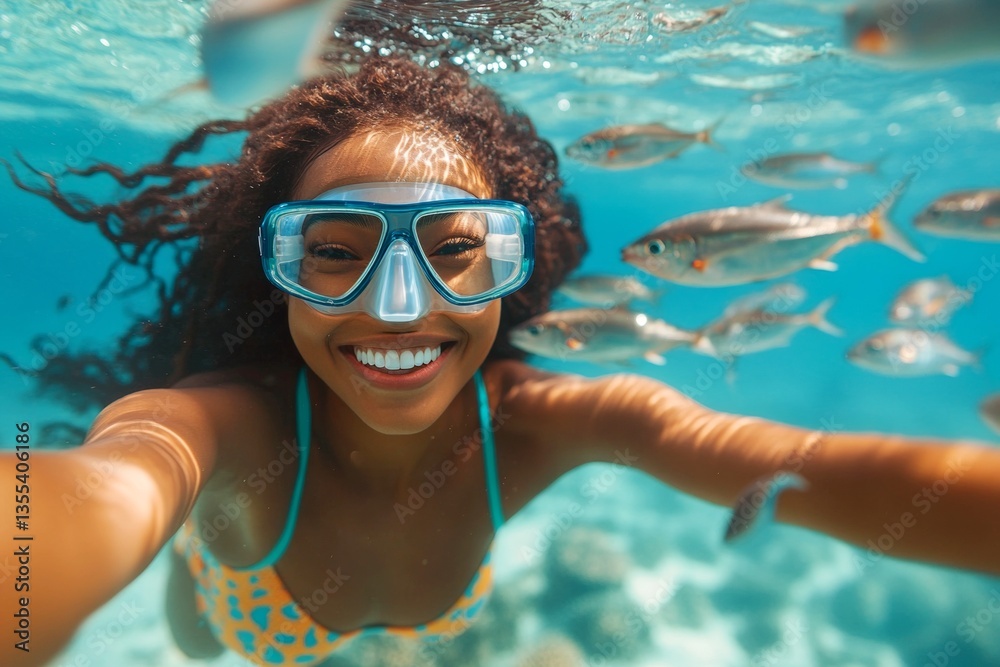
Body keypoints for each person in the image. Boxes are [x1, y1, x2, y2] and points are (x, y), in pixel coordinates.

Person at [2, 56, 999, 667]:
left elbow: (805, 467)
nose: (399, 307)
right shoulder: (229, 423)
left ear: (515, 267)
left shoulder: (546, 419)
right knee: (194, 640)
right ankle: (195, 560)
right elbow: (111, 478)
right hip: (246, 610)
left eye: (454, 250)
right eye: (335, 252)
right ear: (277, 272)